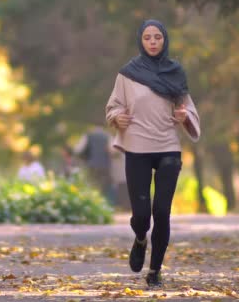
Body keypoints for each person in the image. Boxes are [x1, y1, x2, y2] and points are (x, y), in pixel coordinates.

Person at [105, 19, 200, 287]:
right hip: (137, 147)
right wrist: (116, 118)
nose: (153, 41)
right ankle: (139, 239)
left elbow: (187, 107)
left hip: (168, 145)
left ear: (164, 40)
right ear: (141, 41)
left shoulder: (175, 71)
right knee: (142, 215)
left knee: (162, 211)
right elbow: (113, 106)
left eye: (158, 37)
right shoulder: (127, 74)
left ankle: (155, 270)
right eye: (148, 37)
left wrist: (183, 115)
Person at [74, 125, 114, 202]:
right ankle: (103, 203)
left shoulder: (88, 135)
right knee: (104, 186)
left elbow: (78, 149)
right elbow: (112, 150)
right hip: (104, 166)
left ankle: (94, 202)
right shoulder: (107, 135)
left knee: (92, 185)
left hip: (91, 165)